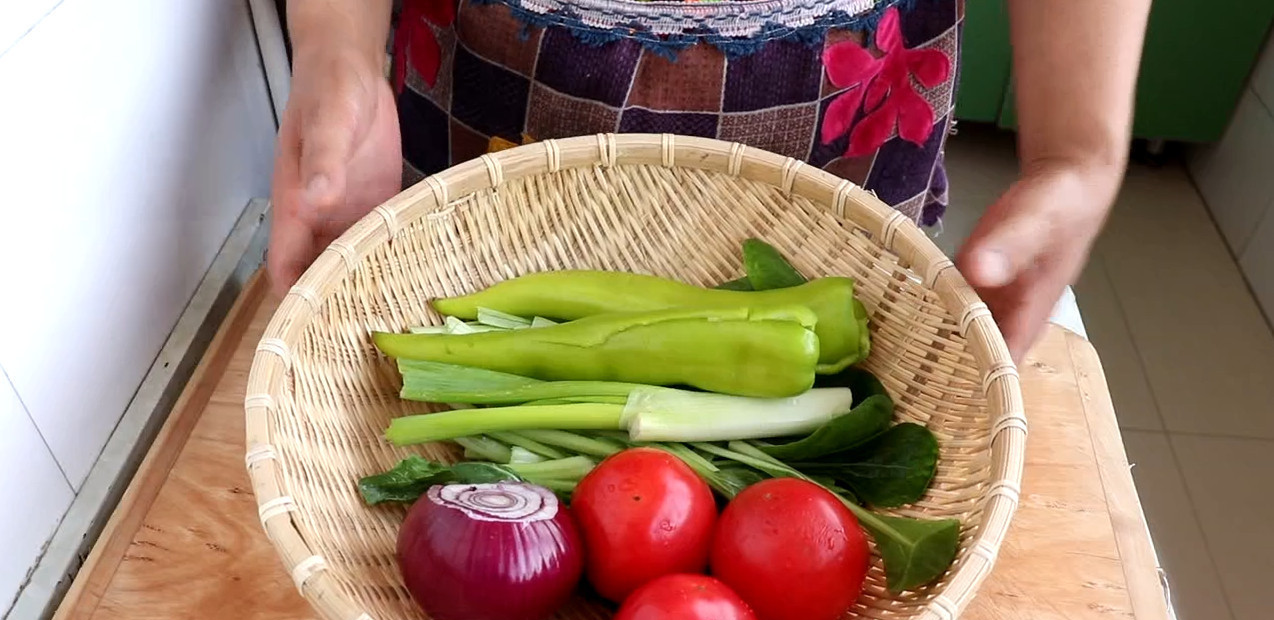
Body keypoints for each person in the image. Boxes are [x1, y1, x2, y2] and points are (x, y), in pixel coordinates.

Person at [267, 0, 1151, 363]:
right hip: (496, 72)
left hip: (841, 91)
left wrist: (1080, 146)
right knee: (467, 331)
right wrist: (337, 44)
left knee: (828, 369)